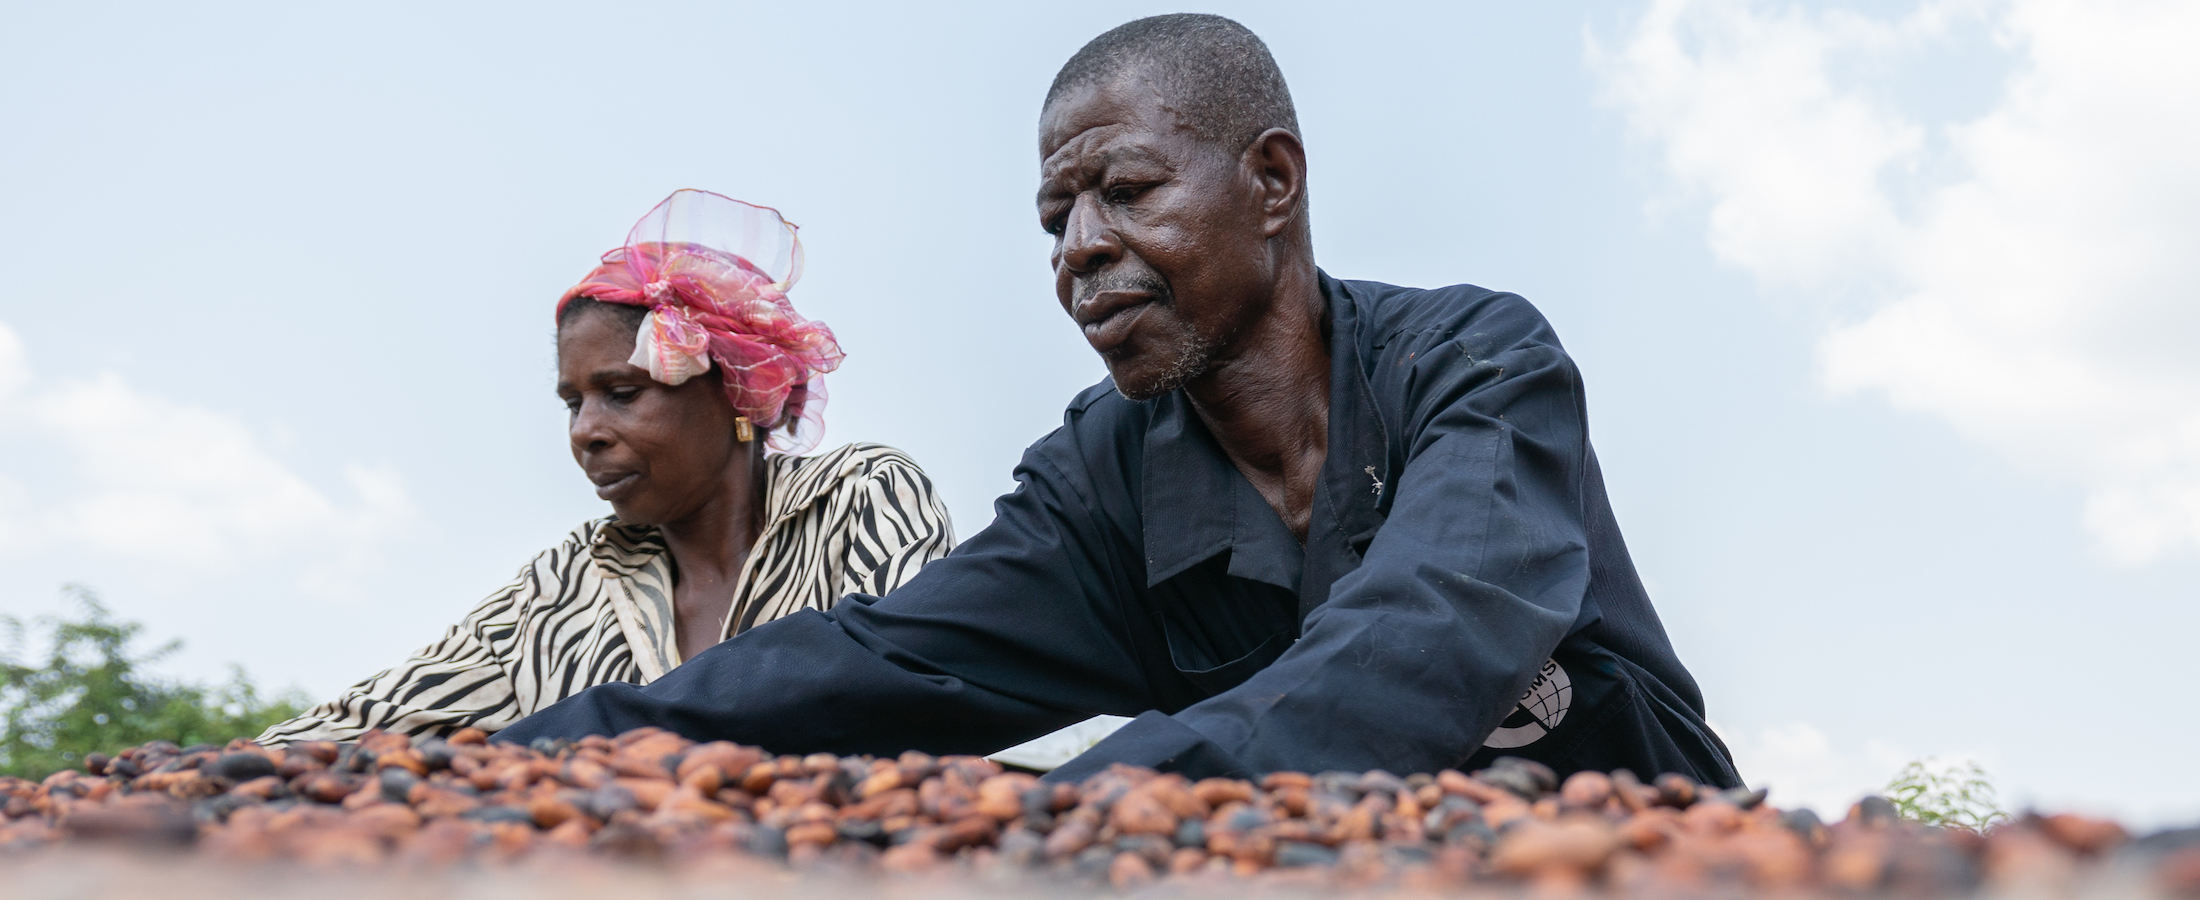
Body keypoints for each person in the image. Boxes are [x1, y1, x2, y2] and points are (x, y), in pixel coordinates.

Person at [495, 16, 1741, 788]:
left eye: (1128, 190)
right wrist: (534, 755)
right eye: (1056, 219)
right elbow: (882, 661)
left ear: (1271, 180)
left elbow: (1429, 625)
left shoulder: (1474, 360)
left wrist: (1111, 800)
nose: (1079, 248)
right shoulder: (1103, 478)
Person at [258, 190, 955, 744]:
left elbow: (907, 680)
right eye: (572, 404)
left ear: (732, 388)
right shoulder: (557, 591)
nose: (586, 433)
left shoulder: (859, 494)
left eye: (622, 394)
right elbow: (363, 729)